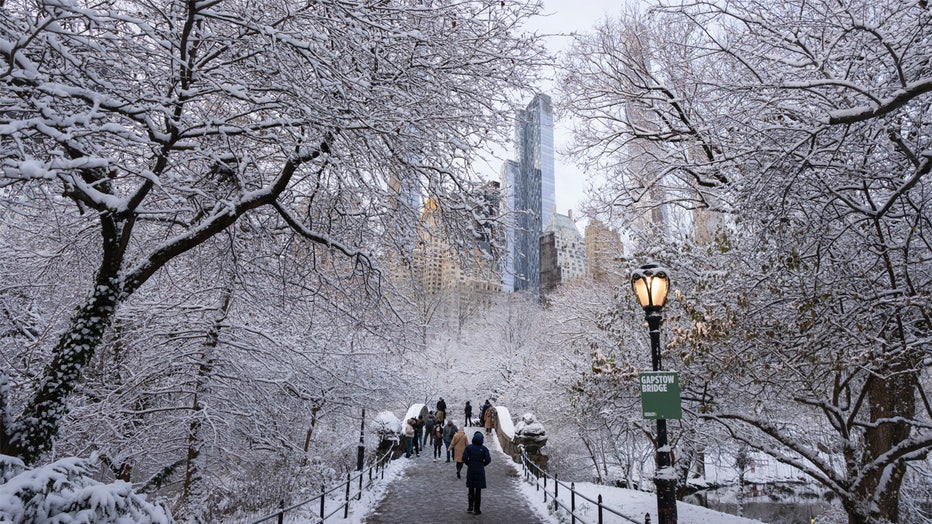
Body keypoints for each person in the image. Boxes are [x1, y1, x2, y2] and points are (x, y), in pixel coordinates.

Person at [462, 431, 491, 515]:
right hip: (480, 471)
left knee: (471, 489)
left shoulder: (469, 448)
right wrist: (482, 464)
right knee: (478, 491)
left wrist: (469, 463)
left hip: (471, 470)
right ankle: (477, 509)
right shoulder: (484, 449)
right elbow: (488, 460)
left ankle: (470, 506)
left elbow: (464, 458)